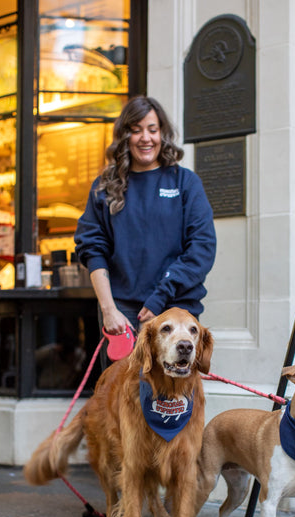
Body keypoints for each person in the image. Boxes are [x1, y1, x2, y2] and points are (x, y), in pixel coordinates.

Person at [74, 95, 217, 343]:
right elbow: (92, 249)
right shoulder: (105, 187)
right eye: (136, 130)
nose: (145, 138)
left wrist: (159, 298)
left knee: (169, 383)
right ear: (124, 136)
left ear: (162, 133)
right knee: (123, 383)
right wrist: (109, 310)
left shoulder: (185, 183)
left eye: (152, 129)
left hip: (176, 309)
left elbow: (202, 248)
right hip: (122, 315)